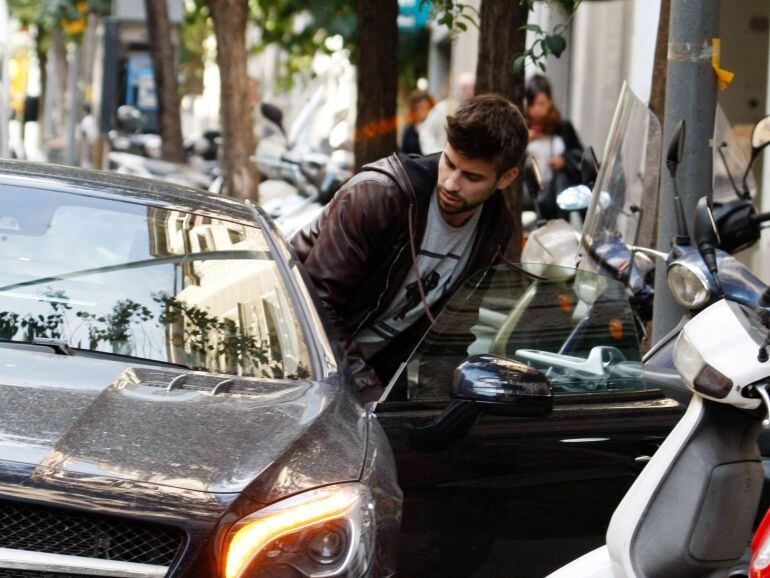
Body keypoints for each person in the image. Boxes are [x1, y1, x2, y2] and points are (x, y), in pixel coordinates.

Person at [292, 94, 529, 402]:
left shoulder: (495, 228)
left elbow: (451, 331)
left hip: (371, 373)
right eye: (449, 162)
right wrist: (367, 392)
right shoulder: (379, 196)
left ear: (506, 178)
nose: (451, 184)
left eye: (471, 176)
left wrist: (436, 405)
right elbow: (316, 306)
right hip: (300, 356)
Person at [524, 74, 583, 218]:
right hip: (529, 199)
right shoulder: (522, 127)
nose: (537, 110)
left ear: (550, 101)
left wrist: (564, 160)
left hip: (556, 197)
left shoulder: (562, 127)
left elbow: (580, 155)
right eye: (534, 104)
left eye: (542, 103)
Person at [419, 72, 475, 155]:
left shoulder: (478, 110)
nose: (468, 92)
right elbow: (426, 131)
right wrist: (435, 152)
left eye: (471, 88)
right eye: (465, 88)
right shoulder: (442, 108)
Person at [401, 90, 435, 155]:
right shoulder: (409, 129)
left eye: (427, 107)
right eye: (420, 108)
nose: (424, 111)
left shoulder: (435, 126)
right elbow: (404, 152)